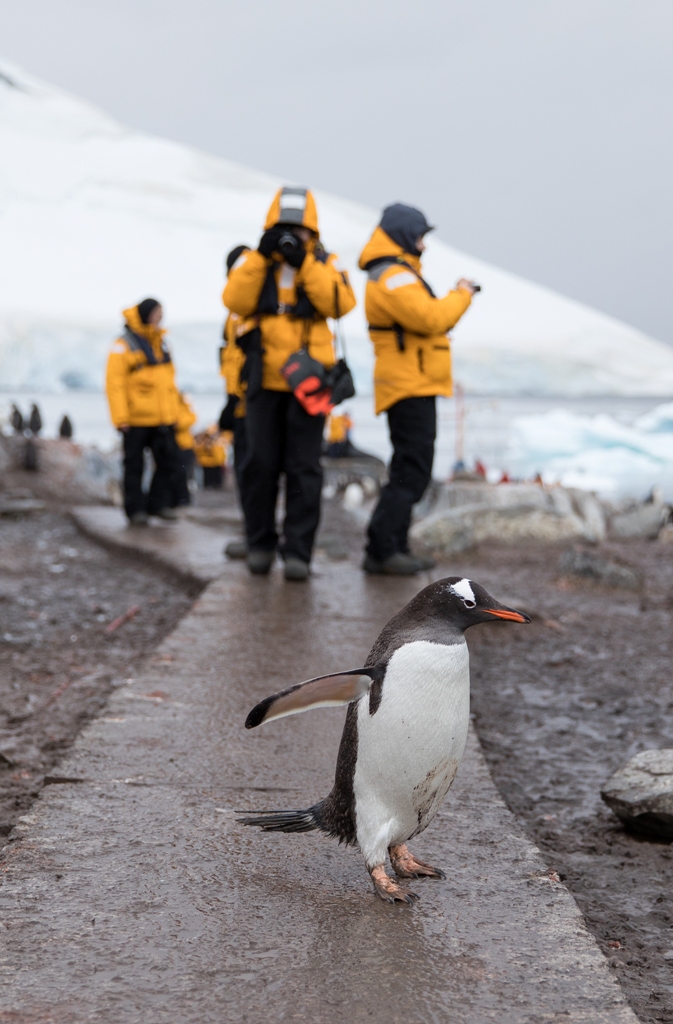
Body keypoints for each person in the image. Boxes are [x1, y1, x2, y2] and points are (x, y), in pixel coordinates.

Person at [223, 186, 356, 581]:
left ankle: (298, 552)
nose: (289, 237)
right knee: (258, 464)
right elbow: (235, 300)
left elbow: (340, 305)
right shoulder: (255, 260)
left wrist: (306, 263)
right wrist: (262, 256)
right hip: (263, 380)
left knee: (304, 469)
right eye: (282, 229)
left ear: (311, 231)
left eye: (297, 231)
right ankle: (260, 544)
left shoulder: (324, 262)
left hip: (308, 383)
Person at [359, 203, 479, 574]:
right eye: (420, 236)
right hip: (407, 385)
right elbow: (431, 318)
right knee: (411, 469)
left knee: (412, 468)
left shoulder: (398, 273)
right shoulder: (393, 275)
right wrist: (462, 294)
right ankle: (381, 550)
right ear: (404, 235)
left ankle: (395, 546)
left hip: (415, 382)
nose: (424, 245)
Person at [105, 299, 181, 525]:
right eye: (157, 313)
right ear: (146, 314)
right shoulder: (124, 344)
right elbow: (114, 383)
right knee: (134, 465)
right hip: (135, 419)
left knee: (170, 462)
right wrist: (120, 418)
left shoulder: (162, 343)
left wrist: (174, 414)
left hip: (162, 418)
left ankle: (157, 504)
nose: (160, 317)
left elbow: (169, 384)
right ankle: (135, 510)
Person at [219, 244, 253, 560]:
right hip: (245, 402)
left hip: (255, 401)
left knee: (256, 469)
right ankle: (255, 533)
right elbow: (231, 359)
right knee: (248, 470)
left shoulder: (251, 307)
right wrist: (232, 399)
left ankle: (259, 536)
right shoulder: (234, 314)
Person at [171, 392, 197, 507]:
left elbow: (189, 420)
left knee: (185, 473)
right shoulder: (174, 407)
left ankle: (183, 498)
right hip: (175, 446)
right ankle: (177, 498)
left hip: (185, 446)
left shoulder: (185, 408)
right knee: (177, 473)